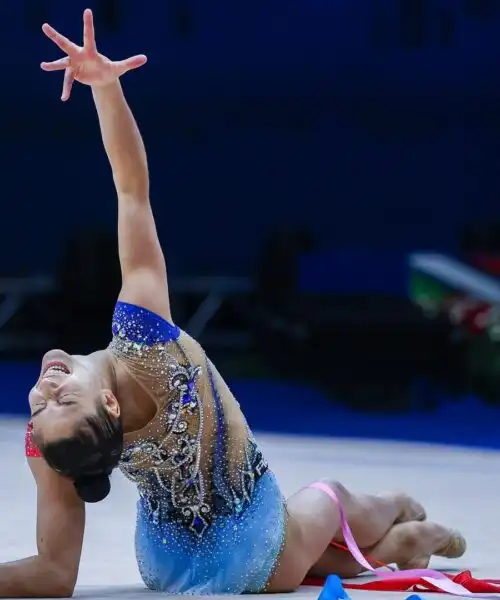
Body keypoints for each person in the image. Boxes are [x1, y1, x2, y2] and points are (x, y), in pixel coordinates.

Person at [0, 9, 466, 598]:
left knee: (310, 560)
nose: (43, 390)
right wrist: (107, 88)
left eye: (39, 405)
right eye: (59, 398)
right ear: (110, 403)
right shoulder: (145, 346)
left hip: (168, 566)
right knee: (331, 498)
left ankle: (404, 543)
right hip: (252, 542)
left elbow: (53, 575)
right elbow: (131, 191)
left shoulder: (55, 446)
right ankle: (398, 507)